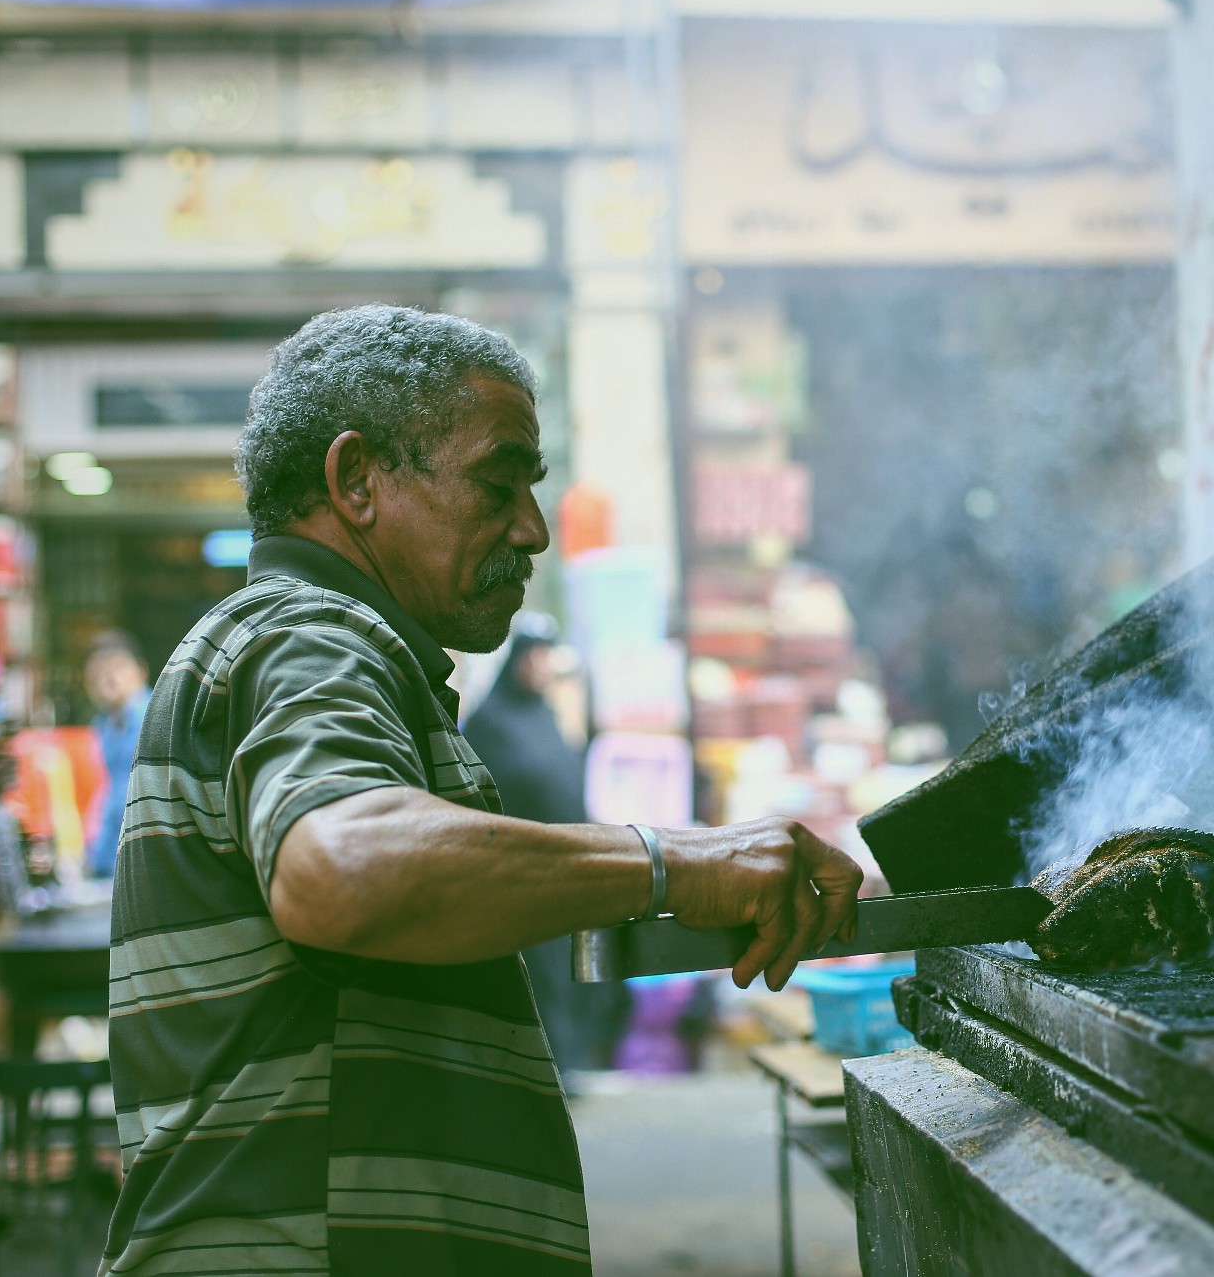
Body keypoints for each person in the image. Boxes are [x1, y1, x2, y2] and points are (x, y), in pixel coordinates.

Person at [100, 305, 862, 1276]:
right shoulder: (307, 634)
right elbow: (342, 870)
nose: (532, 530)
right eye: (498, 483)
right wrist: (669, 862)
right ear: (356, 482)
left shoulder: (310, 647)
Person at [463, 616, 628, 1073]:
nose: (541, 666)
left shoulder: (545, 713)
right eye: (533, 656)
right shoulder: (488, 722)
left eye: (545, 657)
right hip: (524, 872)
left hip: (572, 863)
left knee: (578, 969)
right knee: (545, 975)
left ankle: (576, 1061)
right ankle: (554, 1069)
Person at [81, 631, 149, 880]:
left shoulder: (155, 717)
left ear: (141, 671)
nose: (108, 678)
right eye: (98, 672)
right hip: (113, 860)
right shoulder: (104, 725)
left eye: (117, 667)